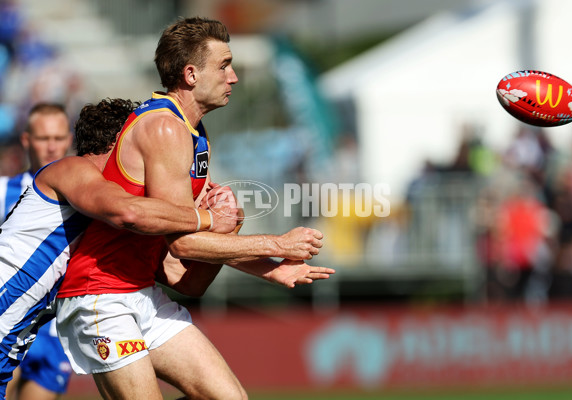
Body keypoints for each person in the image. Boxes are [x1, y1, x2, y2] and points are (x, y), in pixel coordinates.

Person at [55, 17, 333, 400]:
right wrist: (276, 245)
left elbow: (189, 264)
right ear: (190, 74)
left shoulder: (195, 133)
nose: (233, 77)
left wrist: (270, 270)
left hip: (141, 292)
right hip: (101, 295)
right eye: (224, 65)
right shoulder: (165, 128)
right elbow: (184, 246)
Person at [0, 98, 241, 400]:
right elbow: (131, 212)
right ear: (122, 141)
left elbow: (180, 274)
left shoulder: (97, 218)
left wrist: (266, 255)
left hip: (13, 338)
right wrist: (208, 218)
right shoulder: (75, 171)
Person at [1, 103, 72, 400]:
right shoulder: (5, 190)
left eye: (59, 138)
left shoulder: (87, 197)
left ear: (70, 139)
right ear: (27, 140)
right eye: (44, 139)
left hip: (52, 331)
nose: (52, 147)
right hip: (10, 321)